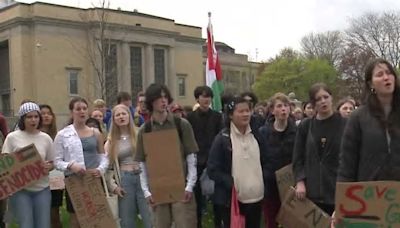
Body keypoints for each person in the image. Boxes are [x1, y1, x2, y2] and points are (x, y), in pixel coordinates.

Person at [135, 83, 199, 228]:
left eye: (165, 97)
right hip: (158, 190)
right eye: (159, 98)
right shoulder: (146, 130)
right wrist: (146, 191)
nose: (163, 101)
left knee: (185, 224)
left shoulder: (181, 124)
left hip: (181, 188)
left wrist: (189, 186)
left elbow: (191, 157)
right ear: (151, 101)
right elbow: (142, 163)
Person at [208, 96, 266, 228]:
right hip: (232, 200)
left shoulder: (257, 136)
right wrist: (230, 182)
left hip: (257, 199)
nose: (246, 114)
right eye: (240, 111)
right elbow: (212, 169)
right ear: (230, 115)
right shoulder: (222, 139)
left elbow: (267, 161)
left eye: (248, 110)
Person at [338, 58, 400, 182]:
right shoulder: (358, 117)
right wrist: (344, 194)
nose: (386, 77)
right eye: (380, 75)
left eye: (389, 73)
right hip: (369, 193)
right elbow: (347, 162)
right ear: (371, 84)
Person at [54, 97, 109, 228]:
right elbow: (57, 161)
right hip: (74, 181)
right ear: (71, 112)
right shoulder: (62, 135)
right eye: (78, 109)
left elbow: (103, 156)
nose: (82, 112)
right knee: (76, 218)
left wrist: (100, 169)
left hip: (93, 179)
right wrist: (70, 165)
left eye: (84, 109)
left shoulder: (95, 133)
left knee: (97, 218)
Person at [292, 83, 346, 215]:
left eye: (325, 97)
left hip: (337, 190)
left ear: (331, 98)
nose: (323, 101)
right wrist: (300, 181)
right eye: (318, 99)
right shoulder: (306, 126)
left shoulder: (346, 124)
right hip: (312, 191)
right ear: (313, 103)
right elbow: (298, 157)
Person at [2, 102, 55, 228]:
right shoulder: (12, 138)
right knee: (26, 225)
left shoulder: (46, 138)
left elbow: (53, 162)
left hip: (42, 189)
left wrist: (49, 166)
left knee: (43, 224)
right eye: (29, 117)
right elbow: (5, 162)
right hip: (21, 190)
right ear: (22, 119)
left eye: (36, 116)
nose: (33, 120)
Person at [105, 104, 152, 228]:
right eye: (118, 115)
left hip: (143, 179)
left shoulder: (140, 133)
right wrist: (113, 186)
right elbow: (107, 168)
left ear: (129, 116)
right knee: (126, 221)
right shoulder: (111, 141)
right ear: (114, 119)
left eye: (124, 113)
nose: (121, 117)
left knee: (150, 217)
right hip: (125, 180)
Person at [186, 86, 223, 228]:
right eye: (203, 96)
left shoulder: (217, 117)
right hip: (196, 163)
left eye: (208, 96)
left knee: (217, 200)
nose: (206, 99)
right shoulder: (190, 117)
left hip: (214, 162)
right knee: (198, 200)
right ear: (197, 99)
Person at [259, 93, 297, 228]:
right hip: (270, 185)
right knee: (271, 221)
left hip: (291, 185)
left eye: (286, 106)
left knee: (292, 222)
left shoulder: (297, 131)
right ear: (272, 110)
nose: (283, 109)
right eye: (279, 106)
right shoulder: (263, 132)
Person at [39, 104, 62, 228]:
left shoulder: (58, 135)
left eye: (49, 113)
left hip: (55, 178)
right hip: (37, 180)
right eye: (43, 113)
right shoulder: (33, 136)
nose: (46, 116)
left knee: (54, 213)